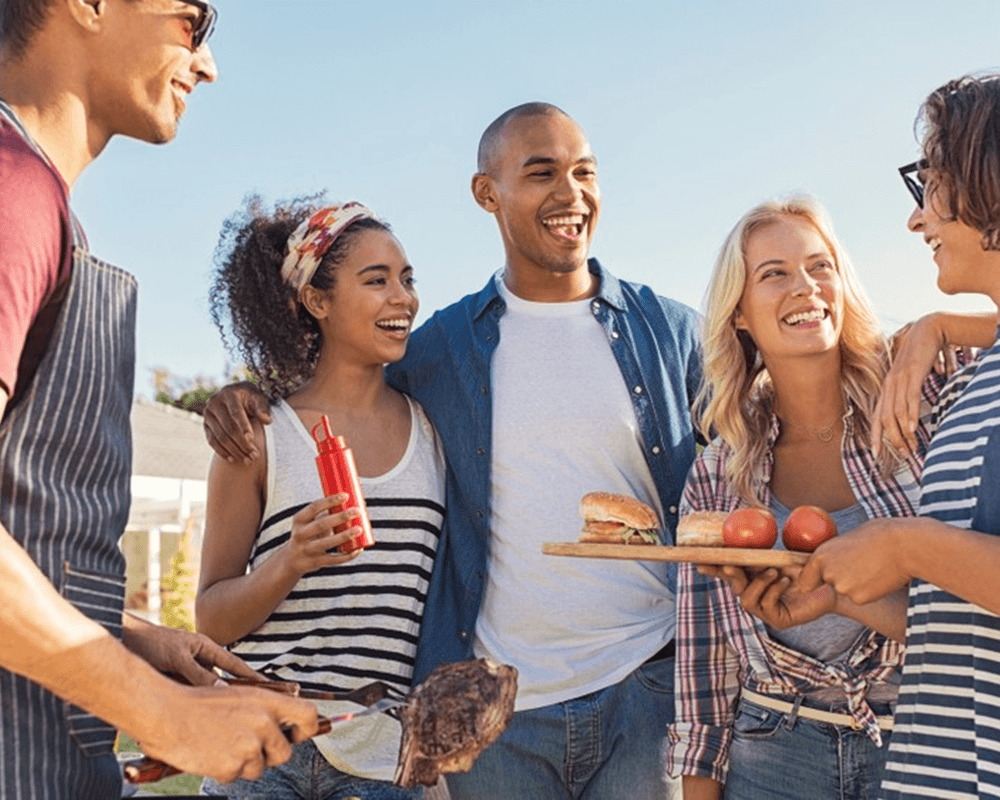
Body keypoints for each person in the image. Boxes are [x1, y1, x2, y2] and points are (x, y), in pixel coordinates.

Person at [205, 102, 701, 799]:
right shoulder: (440, 351)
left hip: (619, 694)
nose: (571, 192)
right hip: (443, 718)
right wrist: (242, 395)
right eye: (541, 172)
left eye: (585, 170)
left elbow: (761, 417)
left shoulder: (667, 332)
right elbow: (336, 382)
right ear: (487, 193)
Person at [0, 2, 320, 798]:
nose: (205, 63)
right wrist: (161, 713)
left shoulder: (38, 196)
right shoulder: (10, 190)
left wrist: (134, 639)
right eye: (191, 21)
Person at [665, 196, 957, 800]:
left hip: (924, 736)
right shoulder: (718, 473)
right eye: (774, 274)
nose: (805, 287)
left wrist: (943, 325)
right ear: (739, 313)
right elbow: (704, 671)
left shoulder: (924, 398)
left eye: (820, 266)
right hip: (772, 747)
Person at [785, 73, 1000, 799]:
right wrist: (840, 596)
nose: (916, 220)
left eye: (930, 183)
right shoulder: (979, 374)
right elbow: (968, 619)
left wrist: (904, 545)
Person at [196, 197, 445, 800]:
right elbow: (211, 617)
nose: (403, 298)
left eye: (408, 280)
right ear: (318, 301)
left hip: (383, 758)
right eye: (377, 280)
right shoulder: (258, 434)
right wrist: (291, 561)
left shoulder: (436, 431)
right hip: (263, 749)